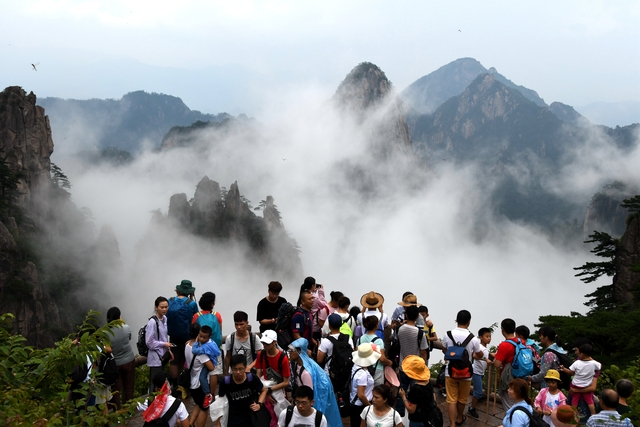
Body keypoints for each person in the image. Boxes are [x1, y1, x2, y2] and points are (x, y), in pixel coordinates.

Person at [441, 309, 483, 427]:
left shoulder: (447, 334)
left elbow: (445, 350)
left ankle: (452, 424)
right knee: (462, 399)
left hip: (450, 371)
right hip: (466, 373)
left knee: (451, 399)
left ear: (456, 320)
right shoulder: (473, 338)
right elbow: (479, 354)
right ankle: (459, 418)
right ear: (469, 322)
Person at [288, 337, 343, 427]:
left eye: (292, 350)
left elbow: (309, 394)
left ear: (299, 352)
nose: (289, 353)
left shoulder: (305, 373)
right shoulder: (298, 365)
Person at [395, 305, 429, 416]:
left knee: (402, 389)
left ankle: (400, 414)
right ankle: (414, 412)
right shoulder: (420, 333)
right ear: (417, 317)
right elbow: (423, 352)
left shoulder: (399, 329)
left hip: (402, 365)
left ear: (406, 315)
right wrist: (423, 366)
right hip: (415, 368)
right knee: (415, 391)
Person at [219, 354, 268, 427]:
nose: (238, 372)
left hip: (250, 417)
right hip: (233, 419)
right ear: (231, 369)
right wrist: (218, 423)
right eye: (235, 369)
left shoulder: (251, 378)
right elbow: (220, 402)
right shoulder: (226, 382)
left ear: (245, 368)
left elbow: (264, 390)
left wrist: (259, 404)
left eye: (241, 369)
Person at [167, 280, 199, 390]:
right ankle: (186, 385)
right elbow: (196, 319)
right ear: (190, 292)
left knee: (174, 361)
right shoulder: (192, 304)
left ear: (178, 291)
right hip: (187, 337)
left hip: (173, 336)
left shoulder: (170, 301)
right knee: (188, 361)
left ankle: (175, 385)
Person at [185, 323, 216, 427]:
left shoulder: (187, 345)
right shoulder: (201, 353)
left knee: (198, 404)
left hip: (191, 382)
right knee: (204, 408)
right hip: (199, 385)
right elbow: (211, 367)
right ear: (198, 334)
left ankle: (190, 424)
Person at [255, 329, 291, 418]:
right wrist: (264, 392)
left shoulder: (283, 358)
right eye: (263, 343)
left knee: (278, 416)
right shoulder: (261, 354)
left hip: (278, 391)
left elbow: (286, 382)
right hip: (264, 388)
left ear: (274, 342)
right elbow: (258, 373)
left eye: (267, 343)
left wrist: (269, 390)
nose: (264, 346)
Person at [105, 307, 135, 410]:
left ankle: (117, 413)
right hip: (129, 360)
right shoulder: (126, 327)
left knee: (116, 389)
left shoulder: (105, 332)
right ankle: (129, 410)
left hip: (115, 363)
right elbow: (129, 338)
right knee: (129, 387)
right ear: (119, 317)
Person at [559, 343, 601, 415]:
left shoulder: (577, 363)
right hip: (587, 386)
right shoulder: (595, 364)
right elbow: (599, 367)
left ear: (582, 354)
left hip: (576, 386)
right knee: (590, 402)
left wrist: (563, 369)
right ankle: (593, 414)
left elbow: (571, 372)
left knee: (574, 401)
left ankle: (574, 415)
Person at [493, 318, 523, 410]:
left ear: (502, 329)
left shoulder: (504, 345)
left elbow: (497, 364)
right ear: (514, 329)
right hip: (521, 376)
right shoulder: (521, 341)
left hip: (509, 379)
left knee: (509, 406)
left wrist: (495, 358)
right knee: (518, 402)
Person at [146, 296, 173, 394]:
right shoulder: (152, 322)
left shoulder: (164, 318)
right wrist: (163, 344)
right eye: (162, 307)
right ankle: (152, 403)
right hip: (155, 358)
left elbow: (163, 337)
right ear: (156, 307)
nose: (164, 309)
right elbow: (149, 342)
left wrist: (168, 350)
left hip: (162, 356)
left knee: (161, 382)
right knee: (155, 383)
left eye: (166, 307)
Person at [398, 355, 434, 427]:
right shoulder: (428, 381)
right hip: (429, 418)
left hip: (418, 421)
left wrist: (403, 396)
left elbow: (411, 409)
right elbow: (434, 398)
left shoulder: (415, 390)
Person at [357, 315, 392, 386]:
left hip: (363, 369)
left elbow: (357, 355)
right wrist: (389, 362)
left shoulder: (360, 339)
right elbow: (382, 358)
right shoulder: (379, 341)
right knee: (377, 393)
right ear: (377, 325)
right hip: (376, 370)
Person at [350, 343, 380, 427]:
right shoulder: (363, 374)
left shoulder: (356, 366)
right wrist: (370, 407)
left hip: (355, 404)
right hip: (361, 406)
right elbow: (361, 394)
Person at [191, 325, 221, 401]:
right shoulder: (211, 342)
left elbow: (194, 350)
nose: (201, 339)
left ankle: (208, 394)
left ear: (209, 337)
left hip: (212, 362)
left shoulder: (206, 347)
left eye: (204, 337)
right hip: (214, 359)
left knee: (202, 377)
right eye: (200, 336)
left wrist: (196, 341)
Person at [468, 327, 493, 419]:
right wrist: (485, 359)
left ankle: (476, 398)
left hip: (480, 372)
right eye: (487, 336)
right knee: (478, 391)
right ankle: (472, 408)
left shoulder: (485, 348)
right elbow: (474, 355)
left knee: (477, 389)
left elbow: (486, 353)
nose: (489, 338)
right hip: (476, 372)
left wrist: (491, 355)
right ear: (481, 337)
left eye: (490, 336)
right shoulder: (479, 347)